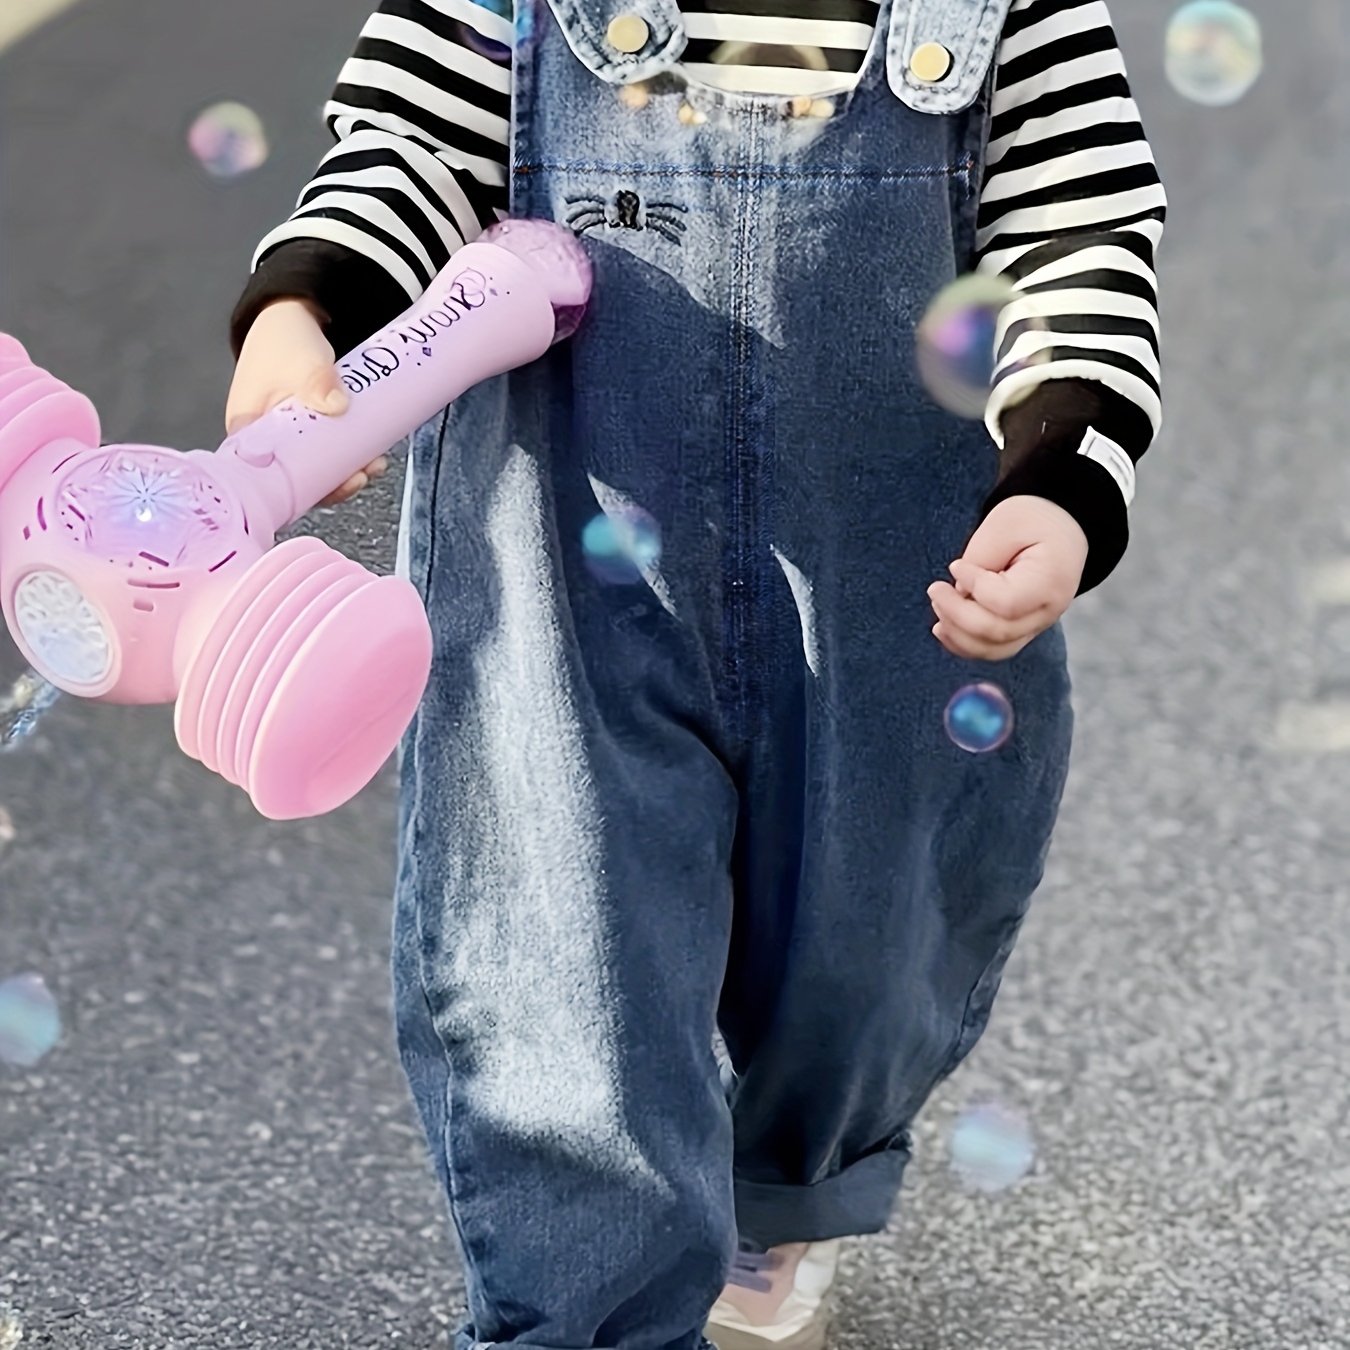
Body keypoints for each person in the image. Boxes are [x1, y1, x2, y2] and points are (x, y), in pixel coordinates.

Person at [224, 0, 1165, 1345]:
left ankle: (776, 1177)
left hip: (896, 577)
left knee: (861, 939)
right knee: (558, 951)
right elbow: (407, 140)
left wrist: (1066, 475)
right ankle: (589, 1305)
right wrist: (308, 304)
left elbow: (1074, 229)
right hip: (566, 557)